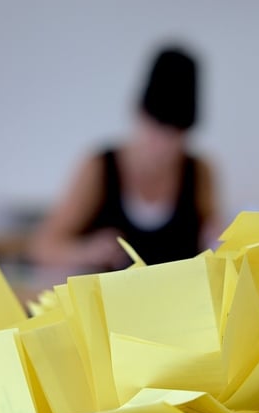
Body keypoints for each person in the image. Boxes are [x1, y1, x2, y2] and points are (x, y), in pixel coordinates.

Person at [30, 46, 219, 270]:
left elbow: (214, 238)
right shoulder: (100, 168)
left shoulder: (199, 172)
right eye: (155, 129)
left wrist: (218, 242)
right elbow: (43, 247)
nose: (162, 146)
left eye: (175, 135)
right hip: (106, 303)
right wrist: (87, 251)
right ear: (138, 114)